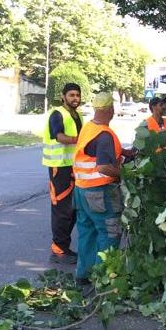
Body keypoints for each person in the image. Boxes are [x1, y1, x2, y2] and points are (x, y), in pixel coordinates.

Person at [72, 91, 133, 283]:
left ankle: (84, 275)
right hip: (99, 191)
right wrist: (127, 175)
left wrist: (124, 152)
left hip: (81, 190)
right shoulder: (105, 134)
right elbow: (104, 167)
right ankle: (105, 277)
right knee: (109, 232)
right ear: (110, 110)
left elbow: (92, 149)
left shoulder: (89, 127)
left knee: (87, 232)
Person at [42, 82, 84, 264]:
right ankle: (59, 246)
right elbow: (59, 137)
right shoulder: (57, 114)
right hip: (59, 167)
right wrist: (80, 140)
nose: (75, 98)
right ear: (64, 96)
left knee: (73, 208)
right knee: (62, 209)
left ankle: (64, 245)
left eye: (77, 95)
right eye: (72, 95)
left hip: (74, 167)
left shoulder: (77, 115)